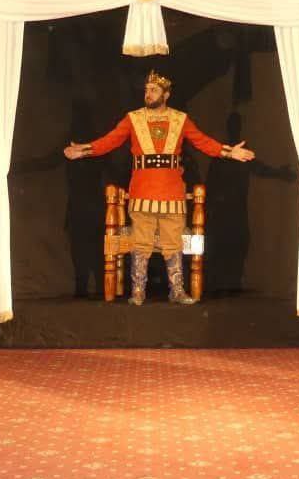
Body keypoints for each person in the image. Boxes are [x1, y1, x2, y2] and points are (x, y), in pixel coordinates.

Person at [64, 70, 255, 305]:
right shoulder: (133, 118)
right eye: (146, 90)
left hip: (172, 191)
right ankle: (138, 292)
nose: (148, 93)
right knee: (141, 242)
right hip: (142, 190)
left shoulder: (180, 119)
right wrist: (84, 150)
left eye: (154, 90)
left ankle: (177, 291)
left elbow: (203, 141)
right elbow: (109, 141)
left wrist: (230, 152)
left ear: (166, 94)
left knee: (173, 242)